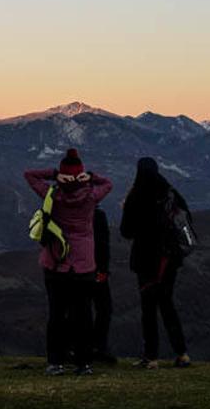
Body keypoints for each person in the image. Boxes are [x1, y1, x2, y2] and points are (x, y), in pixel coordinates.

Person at [24, 149, 114, 376]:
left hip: (56, 263)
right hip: (84, 265)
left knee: (56, 314)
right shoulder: (91, 196)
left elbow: (30, 175)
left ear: (63, 175)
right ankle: (84, 363)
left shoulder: (51, 195)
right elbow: (109, 183)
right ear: (80, 174)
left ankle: (55, 362)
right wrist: (91, 177)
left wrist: (55, 174)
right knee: (83, 314)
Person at [120, 157, 191, 369]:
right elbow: (186, 218)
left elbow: (126, 232)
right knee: (167, 305)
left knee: (148, 309)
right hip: (169, 259)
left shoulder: (135, 195)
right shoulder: (170, 192)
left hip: (145, 260)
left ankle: (151, 358)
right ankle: (182, 354)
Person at [90, 207, 115, 364]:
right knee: (104, 308)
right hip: (95, 270)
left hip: (70, 269)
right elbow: (102, 244)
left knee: (75, 309)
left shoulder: (65, 209)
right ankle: (98, 348)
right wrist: (103, 270)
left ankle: (73, 347)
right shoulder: (97, 215)